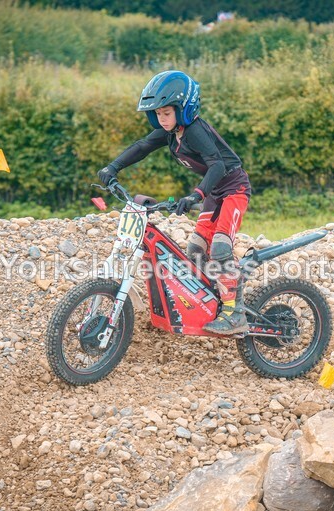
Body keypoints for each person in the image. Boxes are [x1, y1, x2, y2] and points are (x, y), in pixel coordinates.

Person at [97, 71, 252, 335]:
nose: (162, 119)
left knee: (222, 247)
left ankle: (234, 313)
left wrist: (196, 195)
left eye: (167, 113)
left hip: (233, 189)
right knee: (196, 249)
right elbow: (143, 146)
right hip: (214, 193)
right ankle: (218, 295)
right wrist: (113, 167)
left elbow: (217, 164)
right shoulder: (170, 132)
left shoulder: (195, 131)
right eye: (157, 114)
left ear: (183, 109)